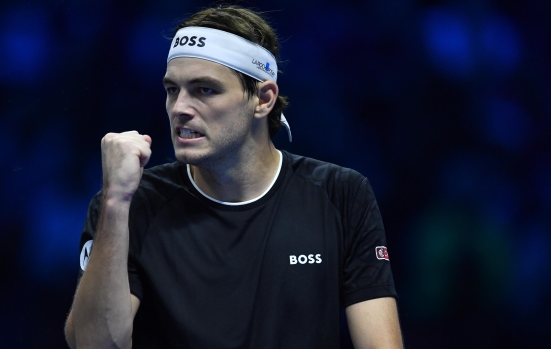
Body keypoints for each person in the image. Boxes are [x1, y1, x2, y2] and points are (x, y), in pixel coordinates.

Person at [64, 5, 403, 349]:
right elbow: (95, 345)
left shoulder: (341, 194)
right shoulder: (128, 205)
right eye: (172, 89)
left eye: (204, 90)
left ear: (263, 99)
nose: (179, 107)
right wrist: (116, 201)